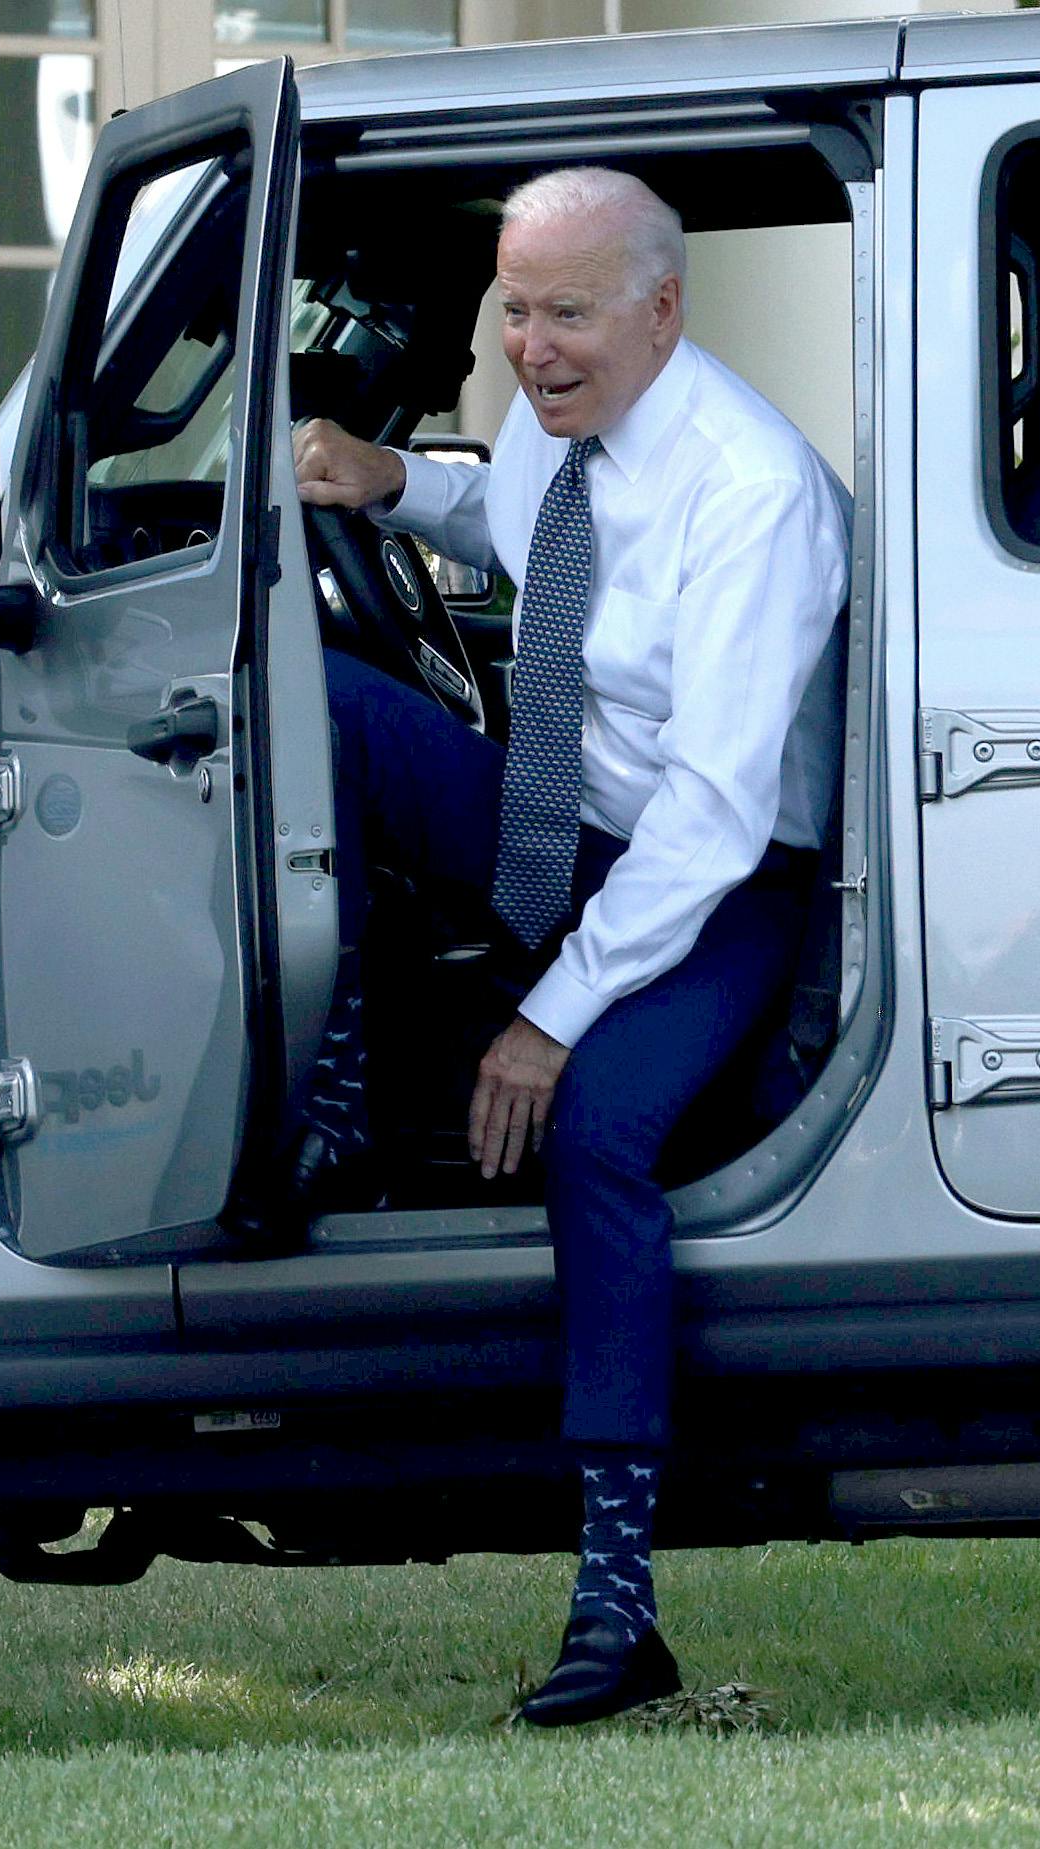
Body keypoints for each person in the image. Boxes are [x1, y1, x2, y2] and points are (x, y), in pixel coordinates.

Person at [290, 167, 850, 1726]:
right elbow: (523, 511)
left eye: (569, 313)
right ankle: (331, 1105)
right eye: (515, 308)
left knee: (598, 1134)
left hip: (722, 882)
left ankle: (619, 1602)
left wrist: (549, 1014)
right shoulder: (569, 411)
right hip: (562, 820)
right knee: (317, 705)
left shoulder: (752, 493)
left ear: (663, 310)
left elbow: (717, 819)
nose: (532, 347)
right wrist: (389, 476)